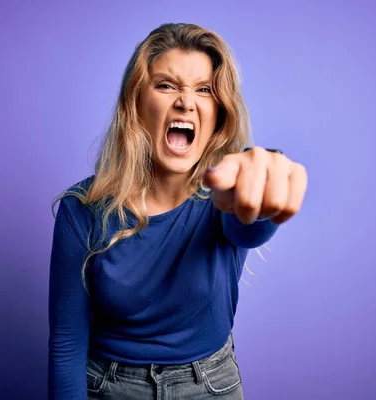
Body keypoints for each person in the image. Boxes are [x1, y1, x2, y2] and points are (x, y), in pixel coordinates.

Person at [48, 22, 308, 399]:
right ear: (137, 104)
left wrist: (267, 182)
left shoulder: (223, 198)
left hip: (210, 387)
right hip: (109, 387)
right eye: (166, 85)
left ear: (218, 113)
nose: (186, 101)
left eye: (203, 90)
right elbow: (67, 343)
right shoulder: (82, 209)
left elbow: (250, 224)